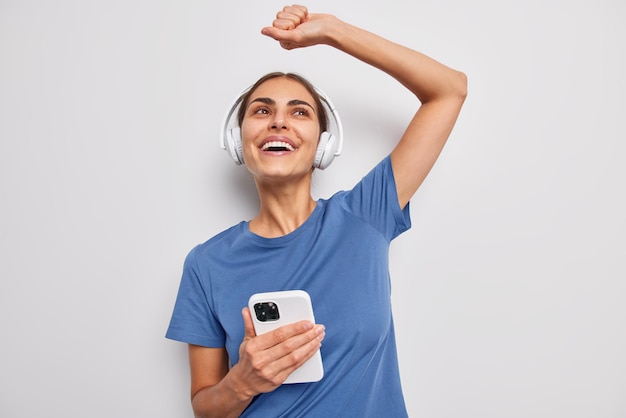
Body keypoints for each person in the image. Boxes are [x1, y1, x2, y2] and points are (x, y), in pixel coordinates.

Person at [166, 4, 466, 417]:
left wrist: (334, 32)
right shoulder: (205, 264)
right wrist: (241, 384)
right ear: (239, 141)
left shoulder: (365, 215)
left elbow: (449, 89)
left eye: (300, 112)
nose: (279, 122)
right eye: (262, 110)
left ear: (323, 145)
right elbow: (205, 407)